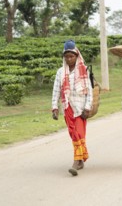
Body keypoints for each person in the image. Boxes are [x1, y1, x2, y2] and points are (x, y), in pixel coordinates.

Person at [51, 40, 93, 176]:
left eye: (72, 56)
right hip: (68, 107)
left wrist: (87, 107)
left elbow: (89, 91)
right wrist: (54, 107)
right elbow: (56, 90)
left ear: (76, 56)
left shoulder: (84, 70)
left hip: (81, 108)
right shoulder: (60, 72)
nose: (69, 59)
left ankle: (76, 161)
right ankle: (80, 159)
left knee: (79, 134)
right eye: (67, 56)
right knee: (73, 133)